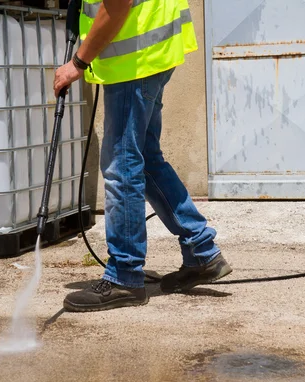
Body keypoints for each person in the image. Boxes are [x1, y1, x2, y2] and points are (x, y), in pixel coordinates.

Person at [53, 0, 232, 312]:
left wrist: (78, 63)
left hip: (135, 62)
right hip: (151, 54)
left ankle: (125, 276)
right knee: (145, 159)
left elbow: (117, 6)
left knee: (121, 165)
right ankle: (201, 251)